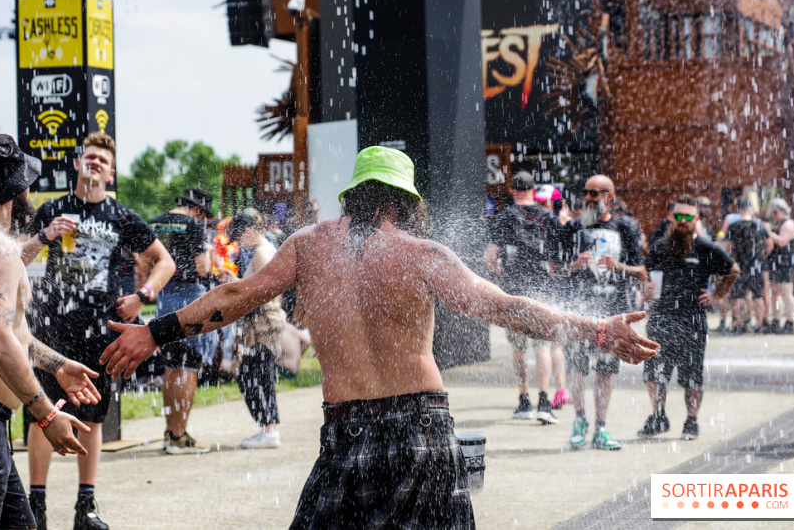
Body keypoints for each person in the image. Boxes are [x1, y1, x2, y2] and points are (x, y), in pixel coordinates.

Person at [100, 146, 658, 528]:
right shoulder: (424, 255)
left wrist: (155, 332)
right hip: (422, 424)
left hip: (347, 428)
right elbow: (505, 307)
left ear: (355, 193)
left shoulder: (308, 246)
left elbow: (230, 298)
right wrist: (596, 329)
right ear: (403, 199)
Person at [19, 132, 176, 529]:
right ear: (77, 164)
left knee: (92, 415)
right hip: (53, 328)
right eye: (88, 158)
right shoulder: (52, 209)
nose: (94, 164)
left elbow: (165, 263)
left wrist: (143, 295)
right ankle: (36, 507)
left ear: (110, 172)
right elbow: (17, 255)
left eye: (101, 161)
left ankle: (85, 509)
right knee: (44, 412)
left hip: (98, 330)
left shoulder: (120, 215)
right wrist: (44, 236)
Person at [0, 134, 102, 530]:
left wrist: (57, 364)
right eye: (26, 185)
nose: (30, 193)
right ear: (12, 192)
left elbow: (8, 330)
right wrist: (46, 413)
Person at [555, 175, 647, 451]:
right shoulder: (571, 228)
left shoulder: (625, 227)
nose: (590, 197)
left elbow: (641, 272)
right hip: (578, 312)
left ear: (610, 195)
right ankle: (580, 420)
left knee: (605, 372)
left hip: (611, 313)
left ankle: (601, 429)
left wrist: (618, 266)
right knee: (576, 369)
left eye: (596, 193)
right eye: (586, 192)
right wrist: (572, 266)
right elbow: (552, 270)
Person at [637, 195, 739, 441]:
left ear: (696, 219)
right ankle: (658, 416)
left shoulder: (705, 247)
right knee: (654, 373)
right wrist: (645, 289)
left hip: (692, 320)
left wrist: (716, 295)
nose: (683, 221)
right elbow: (645, 272)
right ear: (671, 217)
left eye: (688, 217)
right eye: (678, 216)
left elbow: (733, 270)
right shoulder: (660, 246)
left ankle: (691, 421)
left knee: (692, 376)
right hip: (661, 318)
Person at [483, 172, 562, 424]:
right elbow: (557, 260)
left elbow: (489, 257)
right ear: (534, 189)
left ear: (511, 189)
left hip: (514, 293)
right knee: (542, 346)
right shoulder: (548, 217)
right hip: (541, 291)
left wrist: (499, 270)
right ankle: (545, 403)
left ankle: (524, 400)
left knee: (518, 349)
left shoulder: (505, 217)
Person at [148, 188, 219, 455]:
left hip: (164, 299)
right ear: (199, 210)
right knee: (189, 365)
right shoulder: (194, 225)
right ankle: (180, 435)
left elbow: (144, 262)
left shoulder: (154, 222)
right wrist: (210, 256)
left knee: (172, 365)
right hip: (191, 299)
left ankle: (170, 432)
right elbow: (203, 268)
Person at [226, 212, 288, 448]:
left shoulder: (262, 252)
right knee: (259, 375)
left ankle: (269, 430)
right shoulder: (268, 248)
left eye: (239, 238)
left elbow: (260, 293)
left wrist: (233, 282)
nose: (239, 243)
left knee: (252, 376)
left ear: (249, 232)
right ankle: (268, 428)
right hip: (263, 322)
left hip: (260, 324)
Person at [725, 198, 773, 334]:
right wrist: (761, 257)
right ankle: (759, 325)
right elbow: (769, 245)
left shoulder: (734, 225)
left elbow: (728, 247)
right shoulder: (759, 225)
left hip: (739, 265)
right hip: (756, 265)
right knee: (758, 296)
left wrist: (734, 258)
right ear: (750, 209)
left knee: (738, 296)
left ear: (738, 210)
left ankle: (739, 324)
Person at [764, 198, 794, 334]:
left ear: (782, 210)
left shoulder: (788, 224)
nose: (773, 215)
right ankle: (776, 321)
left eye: (775, 212)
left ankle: (790, 322)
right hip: (776, 263)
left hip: (785, 262)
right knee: (775, 294)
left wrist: (768, 232)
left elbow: (783, 241)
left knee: (786, 292)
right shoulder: (778, 224)